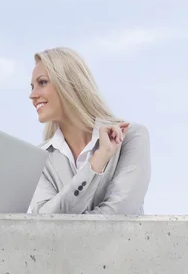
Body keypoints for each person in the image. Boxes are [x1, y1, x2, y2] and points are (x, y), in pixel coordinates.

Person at [29, 47, 150, 215]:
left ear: (68, 82)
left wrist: (66, 226)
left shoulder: (131, 136)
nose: (32, 95)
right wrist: (96, 163)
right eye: (32, 86)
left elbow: (122, 213)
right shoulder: (38, 158)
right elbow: (43, 221)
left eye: (42, 82)